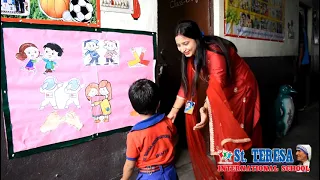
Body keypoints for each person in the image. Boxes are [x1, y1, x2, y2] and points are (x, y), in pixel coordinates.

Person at [167, 20, 263, 180]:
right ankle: (225, 167)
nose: (182, 49)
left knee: (230, 129)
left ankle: (233, 173)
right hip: (223, 88)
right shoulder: (191, 56)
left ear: (196, 39)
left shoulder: (214, 52)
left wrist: (204, 109)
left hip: (241, 88)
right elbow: (186, 86)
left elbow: (216, 85)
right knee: (218, 125)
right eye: (179, 45)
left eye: (186, 43)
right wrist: (173, 112)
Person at [121, 79, 178, 180]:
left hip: (149, 176)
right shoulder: (167, 122)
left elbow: (130, 165)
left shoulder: (134, 135)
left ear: (134, 108)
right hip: (170, 172)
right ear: (158, 104)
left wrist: (124, 179)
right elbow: (175, 138)